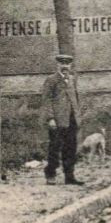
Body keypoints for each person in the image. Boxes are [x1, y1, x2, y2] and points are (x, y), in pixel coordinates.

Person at [43, 52, 84, 186]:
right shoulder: (51, 80)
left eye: (67, 63)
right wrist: (50, 118)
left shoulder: (72, 79)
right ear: (57, 64)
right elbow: (47, 100)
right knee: (55, 148)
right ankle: (51, 174)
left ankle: (69, 176)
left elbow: (76, 98)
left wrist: (78, 116)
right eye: (62, 63)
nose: (65, 66)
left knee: (71, 149)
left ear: (70, 65)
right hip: (58, 121)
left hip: (72, 120)